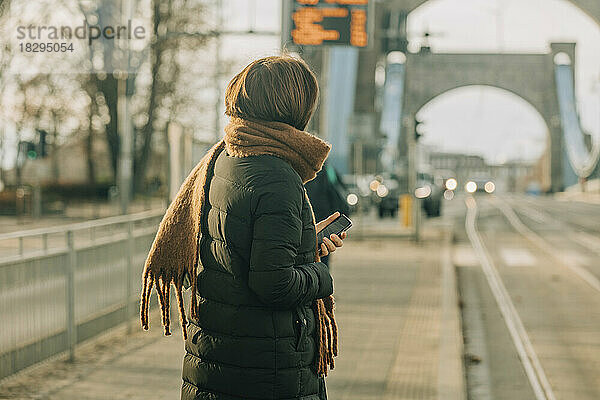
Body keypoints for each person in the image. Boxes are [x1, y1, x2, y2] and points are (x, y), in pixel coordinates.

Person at [139, 55, 346, 400]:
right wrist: (321, 274)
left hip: (218, 360)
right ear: (294, 108)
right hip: (265, 371)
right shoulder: (277, 177)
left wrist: (304, 244)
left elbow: (238, 246)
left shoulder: (223, 158)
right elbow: (274, 284)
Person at [305, 162, 350, 266]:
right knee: (321, 262)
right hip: (324, 223)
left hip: (314, 224)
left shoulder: (296, 170)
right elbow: (337, 191)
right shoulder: (326, 169)